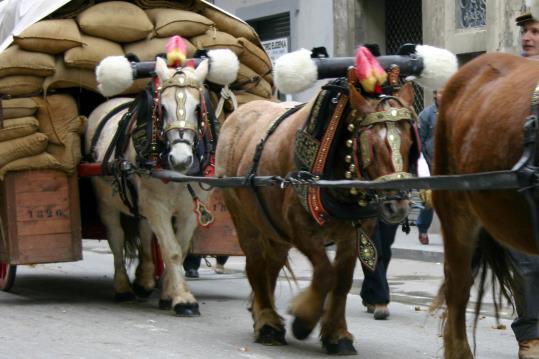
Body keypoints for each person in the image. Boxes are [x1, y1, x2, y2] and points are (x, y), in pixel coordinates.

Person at [510, 10, 539, 359]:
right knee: (529, 262)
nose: (528, 38)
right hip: (518, 189)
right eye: (526, 32)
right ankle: (530, 335)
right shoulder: (512, 79)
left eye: (536, 31)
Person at [416, 88, 443, 245]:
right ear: (434, 95)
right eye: (440, 92)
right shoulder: (426, 115)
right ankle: (423, 229)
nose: (443, 96)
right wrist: (422, 163)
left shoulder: (451, 111)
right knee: (428, 200)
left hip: (447, 165)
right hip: (430, 163)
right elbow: (420, 140)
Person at [360, 220, 400, 320]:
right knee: (372, 249)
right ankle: (380, 300)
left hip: (389, 207)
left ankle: (369, 293)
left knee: (385, 250)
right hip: (366, 206)